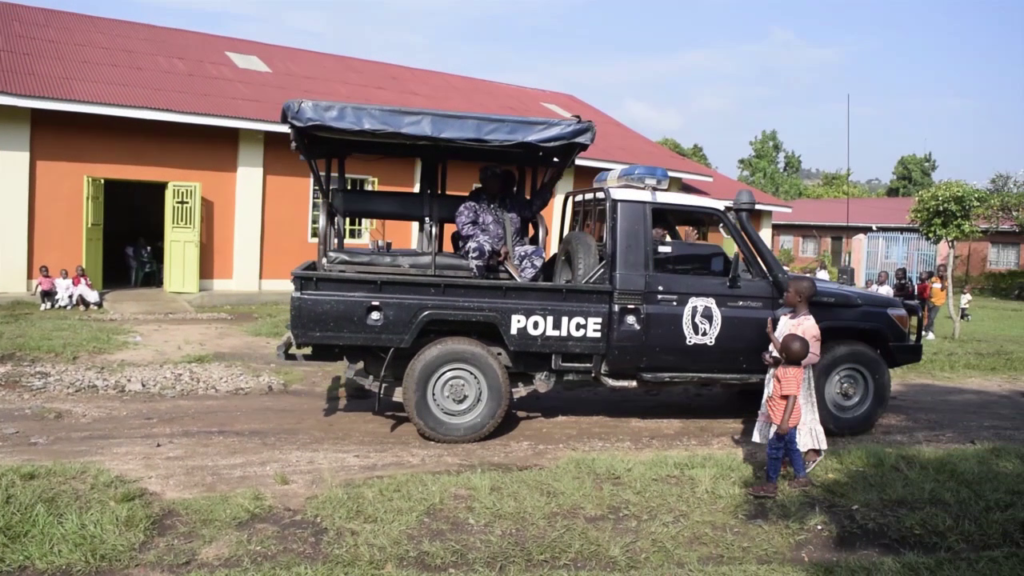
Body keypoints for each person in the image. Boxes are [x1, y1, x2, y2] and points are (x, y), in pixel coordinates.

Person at [754, 276, 827, 472]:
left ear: (800, 297)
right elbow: (779, 345)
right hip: (779, 375)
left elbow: (813, 355)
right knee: (778, 413)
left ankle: (811, 452)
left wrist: (785, 361)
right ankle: (782, 456)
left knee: (797, 415)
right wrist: (770, 354)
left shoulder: (809, 325)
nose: (784, 294)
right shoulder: (786, 318)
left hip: (796, 380)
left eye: (788, 292)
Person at [455, 165, 551, 281]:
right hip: (483, 250)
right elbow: (466, 228)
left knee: (537, 252)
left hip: (511, 251)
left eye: (498, 179)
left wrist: (549, 186)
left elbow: (531, 209)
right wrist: (498, 246)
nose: (496, 182)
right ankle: (479, 286)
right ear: (484, 181)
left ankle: (518, 290)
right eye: (493, 179)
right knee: (479, 247)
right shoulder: (472, 203)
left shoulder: (510, 201)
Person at [749, 333, 812, 498]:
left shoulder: (789, 374)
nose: (779, 347)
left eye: (781, 347)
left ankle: (770, 485)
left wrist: (783, 422)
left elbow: (791, 397)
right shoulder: (794, 364)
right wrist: (770, 334)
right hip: (790, 418)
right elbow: (782, 352)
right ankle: (802, 477)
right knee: (792, 448)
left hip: (784, 420)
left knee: (774, 450)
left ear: (784, 354)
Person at [923, 265, 948, 340]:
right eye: (938, 271)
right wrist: (929, 294)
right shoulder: (934, 279)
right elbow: (929, 287)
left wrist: (943, 278)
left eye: (942, 271)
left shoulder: (945, 280)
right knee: (927, 316)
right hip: (930, 300)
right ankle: (925, 329)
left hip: (938, 302)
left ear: (945, 272)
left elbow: (943, 288)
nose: (940, 273)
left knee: (932, 317)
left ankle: (931, 332)